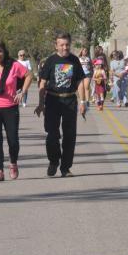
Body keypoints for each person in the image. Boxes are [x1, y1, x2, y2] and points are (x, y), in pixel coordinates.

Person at [35, 32, 87, 178]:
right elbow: (43, 83)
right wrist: (41, 104)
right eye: (62, 45)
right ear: (56, 45)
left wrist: (83, 102)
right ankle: (53, 161)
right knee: (52, 134)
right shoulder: (50, 61)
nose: (65, 48)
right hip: (53, 100)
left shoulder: (74, 60)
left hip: (70, 101)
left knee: (70, 136)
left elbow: (80, 82)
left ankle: (65, 168)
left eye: (67, 45)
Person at [0, 41, 34, 181]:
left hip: (10, 107)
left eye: (1, 51)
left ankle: (13, 163)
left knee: (13, 140)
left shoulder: (14, 65)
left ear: (4, 53)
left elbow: (29, 75)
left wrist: (22, 92)